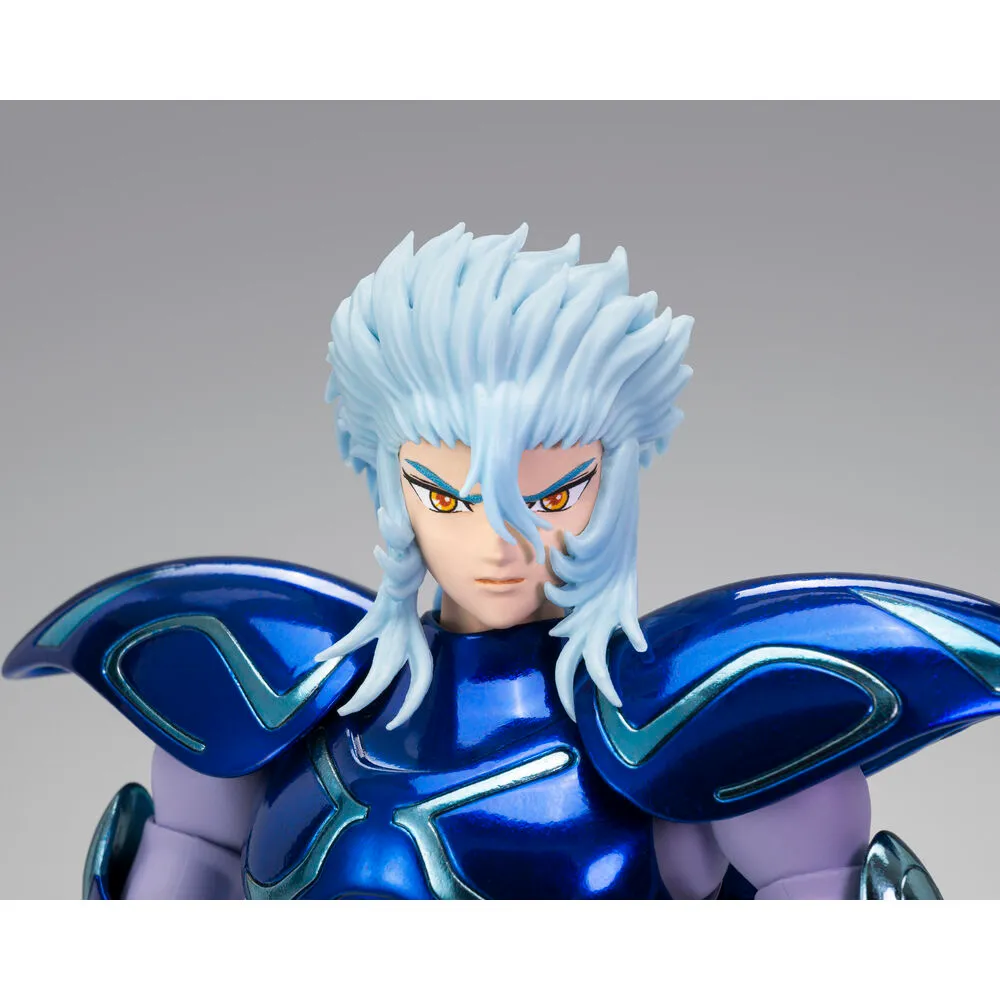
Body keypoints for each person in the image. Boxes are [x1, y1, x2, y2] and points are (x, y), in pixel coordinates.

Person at [6, 224, 992, 899]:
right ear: (385, 480)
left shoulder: (703, 721)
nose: (497, 544)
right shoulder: (268, 692)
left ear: (616, 479)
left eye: (552, 496)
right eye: (446, 497)